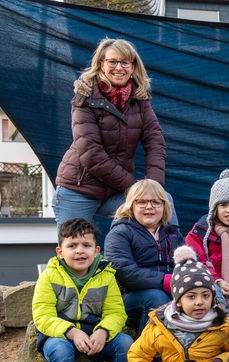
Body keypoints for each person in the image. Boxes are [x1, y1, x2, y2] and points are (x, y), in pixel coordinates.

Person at [53, 37, 176, 233]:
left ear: (133, 66)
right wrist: (135, 188)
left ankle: (174, 251)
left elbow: (155, 143)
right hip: (78, 189)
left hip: (116, 191)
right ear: (101, 64)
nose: (119, 68)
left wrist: (152, 188)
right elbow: (91, 155)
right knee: (75, 246)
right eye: (112, 62)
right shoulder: (84, 97)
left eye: (125, 62)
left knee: (163, 200)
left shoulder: (140, 100)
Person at [32, 218, 134, 362]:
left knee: (125, 343)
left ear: (96, 251)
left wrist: (103, 331)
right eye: (72, 246)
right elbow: (42, 315)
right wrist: (71, 332)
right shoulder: (49, 276)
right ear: (60, 252)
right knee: (58, 350)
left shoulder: (106, 275)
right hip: (62, 337)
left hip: (95, 337)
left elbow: (116, 312)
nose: (79, 251)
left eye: (86, 245)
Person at [104, 179, 184, 332]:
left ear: (164, 206)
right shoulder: (120, 233)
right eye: (142, 202)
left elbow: (190, 262)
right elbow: (124, 272)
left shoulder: (173, 232)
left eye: (156, 202)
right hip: (132, 297)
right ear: (131, 206)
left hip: (173, 289)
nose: (149, 206)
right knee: (157, 297)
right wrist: (165, 281)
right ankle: (149, 345)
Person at [186, 169, 229, 308]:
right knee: (213, 294)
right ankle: (223, 311)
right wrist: (217, 280)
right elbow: (198, 261)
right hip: (208, 281)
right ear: (214, 209)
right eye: (223, 205)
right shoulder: (200, 232)